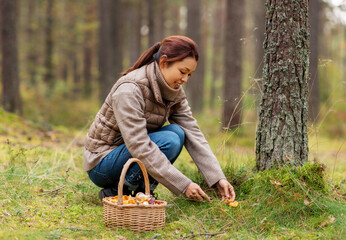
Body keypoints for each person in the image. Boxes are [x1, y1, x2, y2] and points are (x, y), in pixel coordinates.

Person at [84, 35, 235, 202]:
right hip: (102, 163)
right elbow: (139, 145)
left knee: (178, 132)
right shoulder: (129, 90)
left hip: (129, 154)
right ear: (164, 62)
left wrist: (217, 177)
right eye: (182, 71)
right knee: (169, 139)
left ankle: (142, 193)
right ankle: (120, 193)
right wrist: (183, 185)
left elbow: (193, 133)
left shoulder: (173, 90)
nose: (185, 79)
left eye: (189, 75)